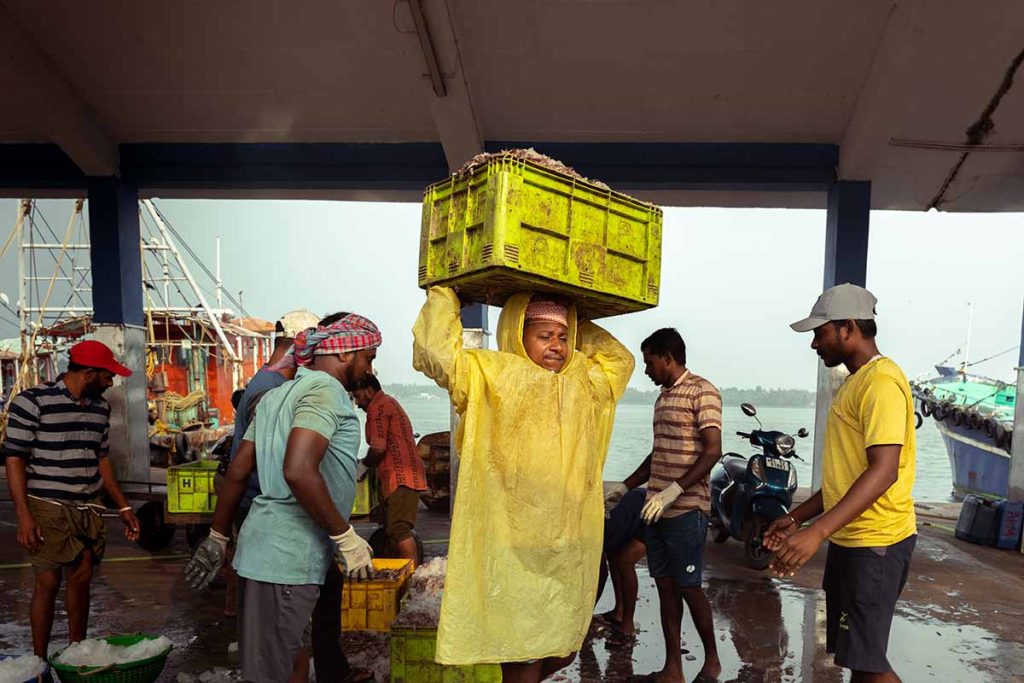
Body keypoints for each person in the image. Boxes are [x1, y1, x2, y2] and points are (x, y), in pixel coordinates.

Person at [412, 287, 634, 683]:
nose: (556, 346)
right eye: (544, 335)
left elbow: (620, 359)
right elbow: (436, 354)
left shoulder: (583, 379)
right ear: (517, 332)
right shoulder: (491, 373)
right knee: (523, 654)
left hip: (566, 545)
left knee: (562, 647)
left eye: (563, 337)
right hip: (511, 543)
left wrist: (576, 317)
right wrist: (446, 297)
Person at [185, 314, 381, 683]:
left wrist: (217, 536)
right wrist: (345, 536)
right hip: (289, 557)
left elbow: (237, 471)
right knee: (271, 671)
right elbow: (298, 469)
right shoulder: (325, 392)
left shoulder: (278, 396)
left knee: (283, 662)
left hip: (261, 551)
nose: (369, 368)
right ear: (345, 353)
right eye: (368, 358)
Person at [765, 284, 917, 683]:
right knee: (858, 658)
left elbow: (884, 471)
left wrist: (818, 532)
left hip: (875, 543)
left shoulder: (881, 383)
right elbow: (846, 477)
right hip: (854, 541)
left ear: (848, 328)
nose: (815, 343)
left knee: (868, 665)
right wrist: (797, 517)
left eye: (821, 332)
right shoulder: (854, 383)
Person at [1, 340, 140, 658]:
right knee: (48, 581)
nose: (111, 383)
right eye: (108, 376)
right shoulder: (32, 402)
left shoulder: (101, 408)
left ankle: (77, 653)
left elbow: (102, 459)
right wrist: (24, 515)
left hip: (87, 505)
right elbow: (15, 460)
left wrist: (124, 506)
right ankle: (39, 661)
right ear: (90, 373)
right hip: (47, 505)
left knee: (81, 576)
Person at [606, 328, 722, 683]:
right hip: (655, 509)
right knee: (665, 587)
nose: (647, 371)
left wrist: (675, 490)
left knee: (689, 587)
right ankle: (673, 668)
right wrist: (627, 485)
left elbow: (712, 449)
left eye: (650, 362)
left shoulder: (703, 391)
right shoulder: (663, 398)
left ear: (669, 358)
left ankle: (712, 661)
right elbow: (659, 453)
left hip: (686, 510)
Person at [219, 309, 319, 615]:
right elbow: (259, 460)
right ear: (299, 345)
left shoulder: (268, 380)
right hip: (260, 503)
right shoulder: (271, 390)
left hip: (255, 501)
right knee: (272, 601)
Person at [351, 374, 428, 562]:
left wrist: (363, 465)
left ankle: (412, 576)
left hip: (401, 476)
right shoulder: (388, 403)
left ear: (369, 391)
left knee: (398, 528)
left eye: (358, 397)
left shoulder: (378, 407)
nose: (358, 403)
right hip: (404, 475)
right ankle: (403, 571)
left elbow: (378, 448)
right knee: (392, 529)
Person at [595, 486, 647, 641]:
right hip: (623, 517)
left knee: (625, 561)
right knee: (613, 554)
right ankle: (619, 612)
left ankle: (627, 624)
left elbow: (600, 575)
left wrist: (583, 618)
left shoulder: (590, 534)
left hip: (644, 511)